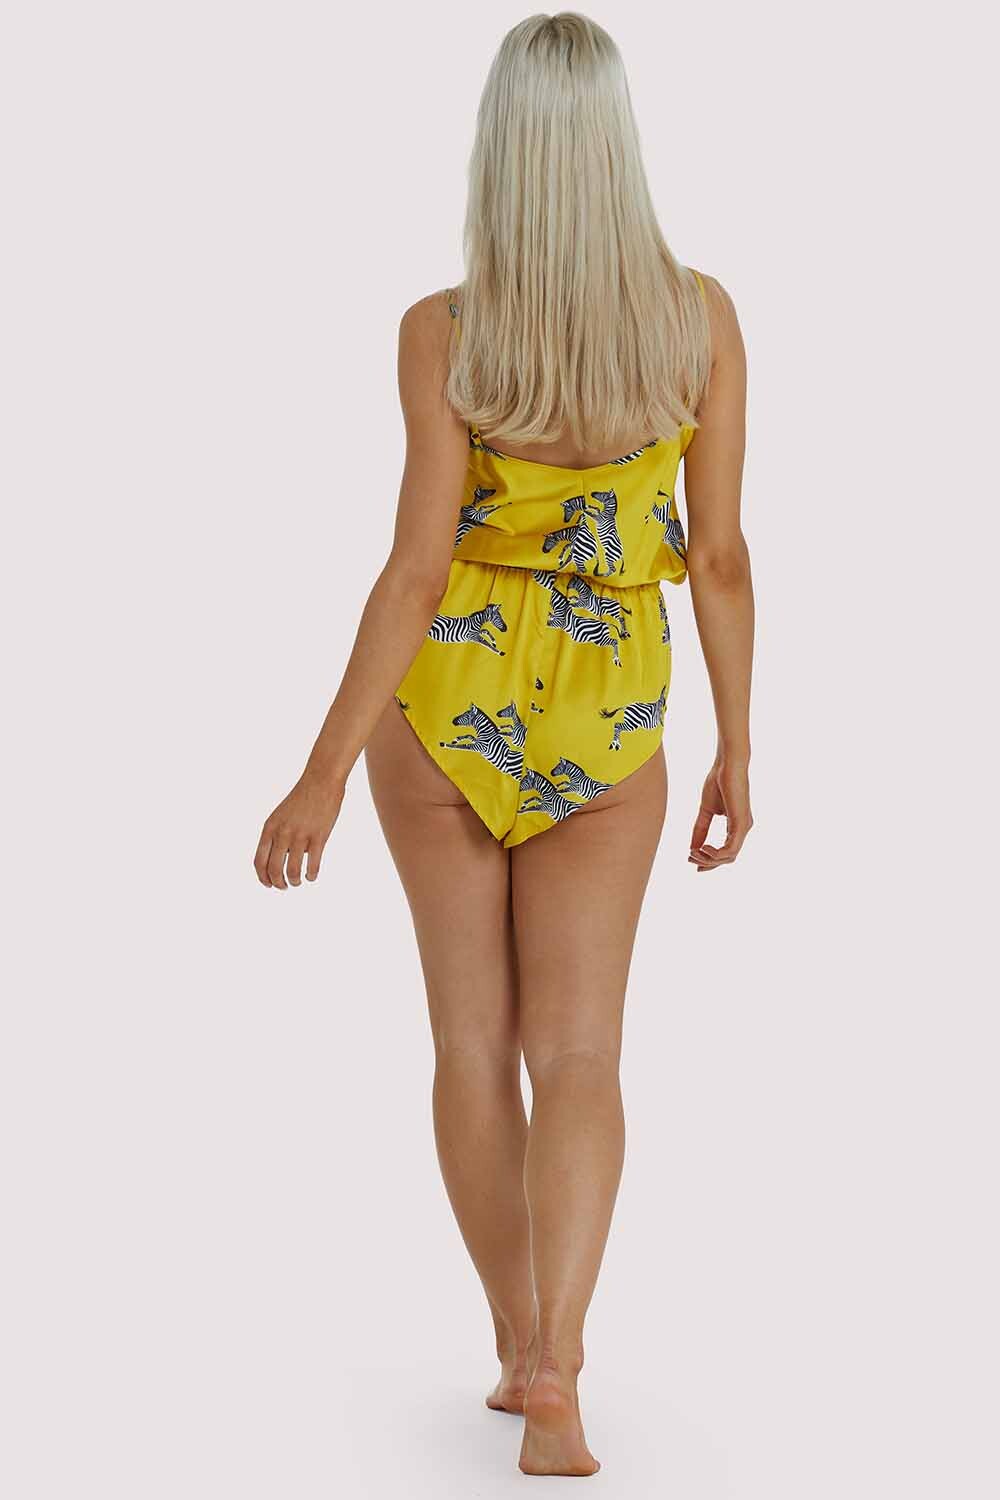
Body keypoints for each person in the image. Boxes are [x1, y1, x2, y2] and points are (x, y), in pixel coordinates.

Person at [253, 12, 753, 1480]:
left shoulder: (446, 332)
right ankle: (565, 1378)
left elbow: (417, 567)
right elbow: (719, 556)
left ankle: (518, 1341)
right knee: (582, 1050)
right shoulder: (699, 322)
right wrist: (737, 746)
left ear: (501, 153)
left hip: (449, 708)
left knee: (472, 1046)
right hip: (611, 712)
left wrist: (323, 771)